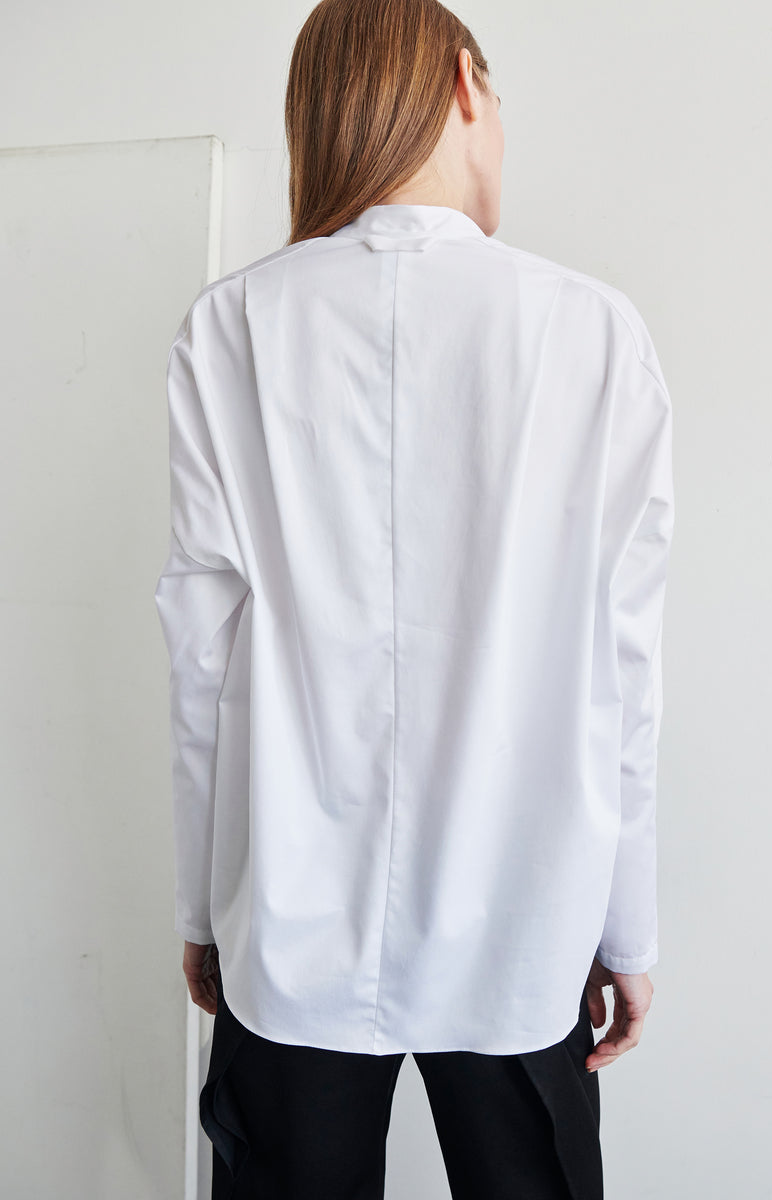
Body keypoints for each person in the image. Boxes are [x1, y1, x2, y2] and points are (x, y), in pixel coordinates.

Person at [153, 0, 675, 1195]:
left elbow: (201, 655)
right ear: (464, 85)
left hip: (287, 912)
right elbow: (624, 662)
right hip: (525, 915)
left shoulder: (229, 327)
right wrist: (626, 926)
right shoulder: (590, 331)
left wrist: (202, 901)